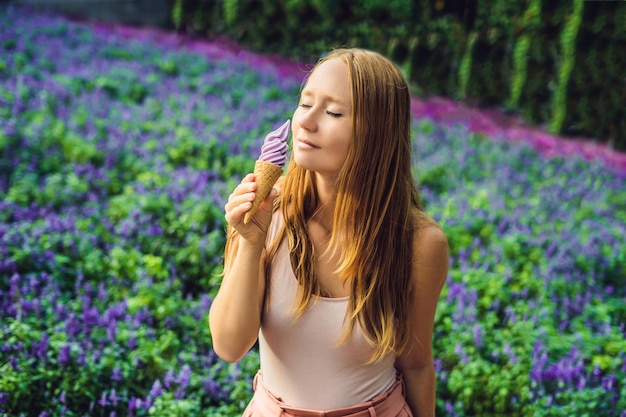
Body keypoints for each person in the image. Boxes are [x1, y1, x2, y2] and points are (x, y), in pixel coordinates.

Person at [208, 48, 449, 417]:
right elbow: (228, 345)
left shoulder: (419, 244)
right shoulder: (266, 214)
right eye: (305, 104)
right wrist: (251, 242)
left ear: (378, 133)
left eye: (333, 112)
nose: (306, 122)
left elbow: (415, 365)